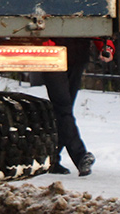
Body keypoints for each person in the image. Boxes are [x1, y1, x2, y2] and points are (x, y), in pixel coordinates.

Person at [39, 37, 114, 176]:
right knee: (63, 107)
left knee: (63, 111)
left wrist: (106, 46)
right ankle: (80, 156)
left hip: (76, 55)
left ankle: (52, 159)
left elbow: (94, 26)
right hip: (53, 54)